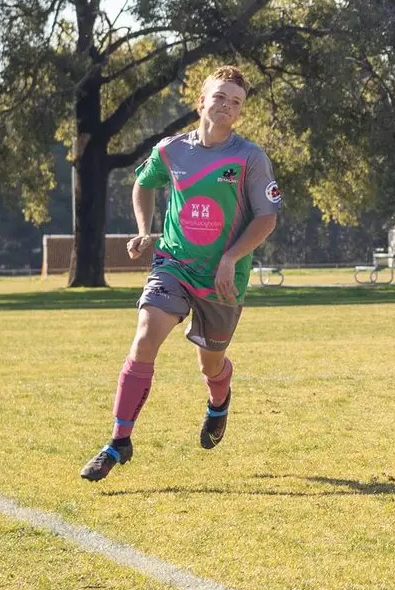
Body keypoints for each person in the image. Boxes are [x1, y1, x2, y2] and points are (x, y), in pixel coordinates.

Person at [80, 66, 283, 481]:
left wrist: (230, 258)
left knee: (210, 365)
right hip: (173, 264)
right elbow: (143, 183)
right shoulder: (172, 150)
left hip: (223, 279)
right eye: (220, 96)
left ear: (240, 112)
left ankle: (218, 402)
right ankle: (119, 442)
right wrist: (143, 230)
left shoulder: (249, 158)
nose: (227, 105)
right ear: (201, 101)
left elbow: (266, 219)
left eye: (236, 101)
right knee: (144, 337)